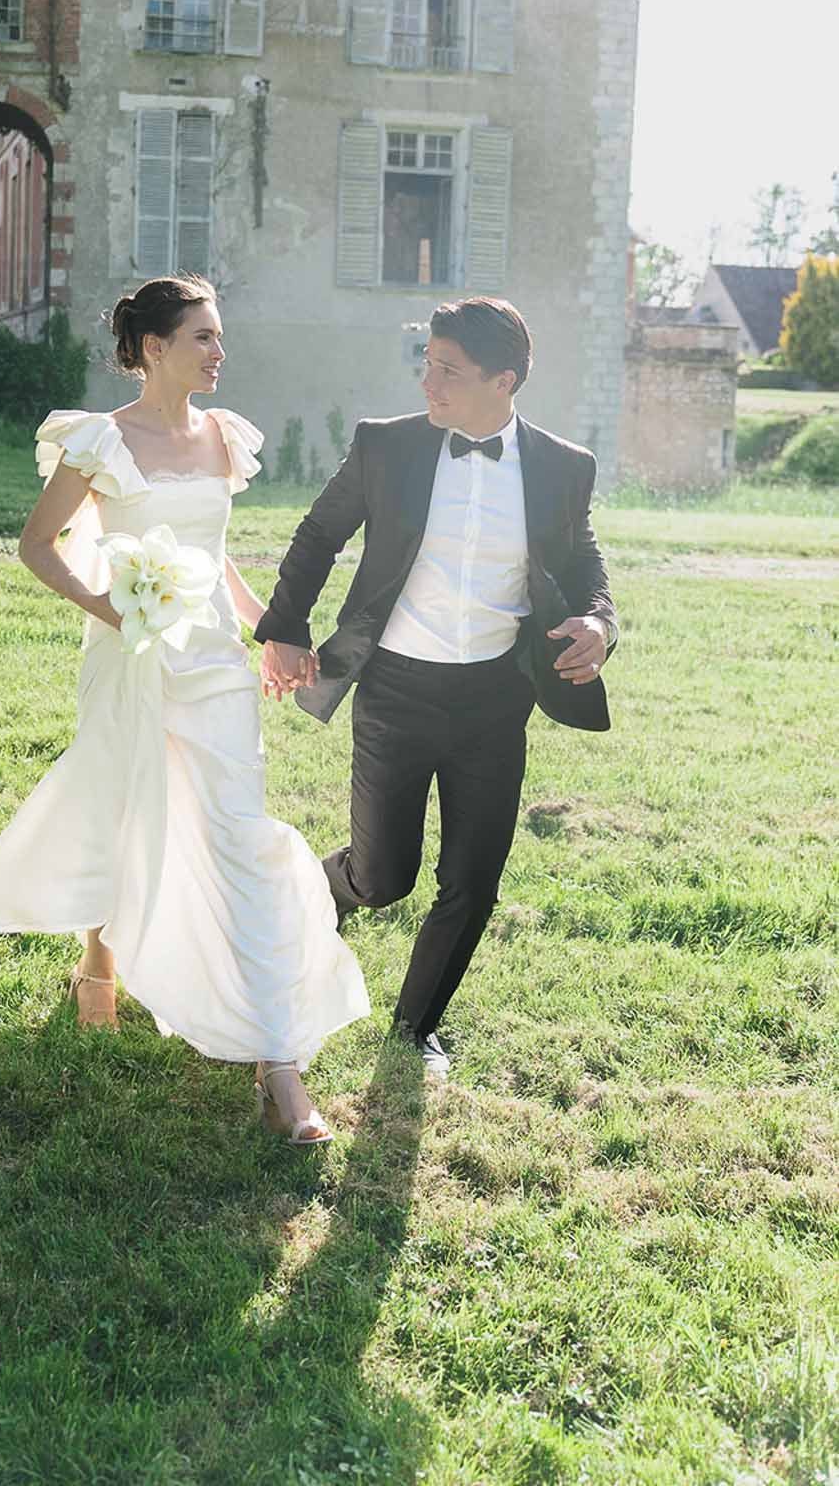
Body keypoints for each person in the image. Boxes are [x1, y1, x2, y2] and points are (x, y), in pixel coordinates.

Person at [0, 274, 369, 1143]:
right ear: (154, 350)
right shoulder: (98, 442)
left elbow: (214, 559)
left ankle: (279, 1068)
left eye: (220, 338)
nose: (221, 353)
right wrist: (114, 609)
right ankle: (99, 965)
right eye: (204, 339)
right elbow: (38, 547)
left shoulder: (226, 437)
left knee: (237, 836)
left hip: (215, 661)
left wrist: (272, 631)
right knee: (124, 802)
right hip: (133, 657)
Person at [257, 297, 617, 1077]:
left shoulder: (562, 467)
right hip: (394, 691)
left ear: (504, 381)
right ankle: (315, 898)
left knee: (474, 880)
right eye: (427, 363)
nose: (429, 381)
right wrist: (285, 625)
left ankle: (414, 1028)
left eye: (448, 370)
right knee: (384, 877)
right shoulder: (387, 447)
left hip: (495, 700)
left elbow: (585, 566)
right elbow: (320, 533)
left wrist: (599, 623)